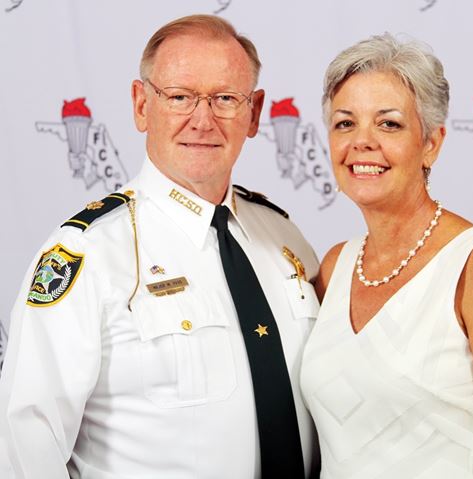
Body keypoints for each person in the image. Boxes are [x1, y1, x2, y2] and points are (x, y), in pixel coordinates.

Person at [0, 15, 320, 478]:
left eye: (225, 99)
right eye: (179, 97)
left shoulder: (285, 239)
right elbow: (25, 447)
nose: (202, 120)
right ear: (141, 105)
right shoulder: (89, 254)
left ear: (254, 113)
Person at [300, 34, 473, 478]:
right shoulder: (336, 265)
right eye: (345, 123)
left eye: (389, 124)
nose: (362, 142)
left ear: (431, 143)